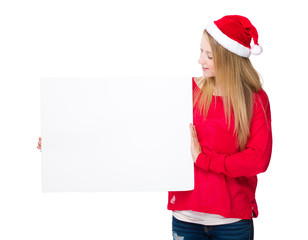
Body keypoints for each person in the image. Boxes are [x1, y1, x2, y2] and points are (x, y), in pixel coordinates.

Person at [168, 15, 272, 240]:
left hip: (232, 222)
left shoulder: (255, 99)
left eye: (209, 55)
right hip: (186, 218)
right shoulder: (184, 92)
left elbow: (258, 159)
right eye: (200, 51)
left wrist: (203, 159)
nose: (200, 60)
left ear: (229, 58)